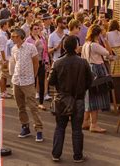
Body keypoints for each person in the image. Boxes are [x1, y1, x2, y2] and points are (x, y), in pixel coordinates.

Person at [48, 35, 92, 163]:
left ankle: (56, 154)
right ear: (76, 47)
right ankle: (77, 156)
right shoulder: (83, 62)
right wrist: (82, 89)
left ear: (63, 47)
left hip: (62, 98)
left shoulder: (58, 62)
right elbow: (90, 81)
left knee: (60, 127)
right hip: (78, 98)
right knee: (77, 129)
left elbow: (51, 81)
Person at [9, 28, 44, 142]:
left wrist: (32, 77)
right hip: (16, 81)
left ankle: (39, 130)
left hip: (28, 82)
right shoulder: (14, 48)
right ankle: (25, 126)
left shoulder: (31, 47)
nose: (12, 38)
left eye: (14, 36)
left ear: (20, 37)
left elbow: (36, 63)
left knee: (33, 107)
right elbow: (14, 63)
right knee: (20, 107)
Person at [81, 25, 112, 133]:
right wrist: (105, 40)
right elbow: (109, 52)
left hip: (88, 70)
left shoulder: (85, 44)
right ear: (97, 34)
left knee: (89, 97)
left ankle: (85, 122)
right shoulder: (95, 45)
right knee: (96, 99)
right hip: (97, 71)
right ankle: (94, 124)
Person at [26, 21, 49, 110]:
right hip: (32, 64)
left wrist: (46, 62)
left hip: (41, 62)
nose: (36, 30)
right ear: (31, 30)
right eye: (35, 29)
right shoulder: (28, 40)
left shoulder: (42, 38)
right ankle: (32, 102)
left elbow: (45, 51)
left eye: (38, 28)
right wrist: (35, 43)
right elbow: (28, 52)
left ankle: (41, 102)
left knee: (42, 82)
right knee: (33, 82)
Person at [0, 19, 12, 98]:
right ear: (3, 25)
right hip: (3, 58)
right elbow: (2, 49)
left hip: (5, 57)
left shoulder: (4, 33)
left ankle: (4, 91)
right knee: (3, 75)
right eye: (7, 24)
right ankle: (2, 92)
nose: (8, 25)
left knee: (4, 75)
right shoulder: (1, 36)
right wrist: (4, 60)